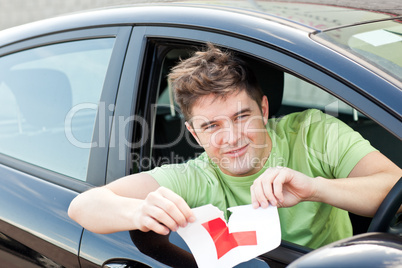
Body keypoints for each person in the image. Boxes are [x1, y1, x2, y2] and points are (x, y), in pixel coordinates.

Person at [68, 43, 401, 249]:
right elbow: (84, 206)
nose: (231, 138)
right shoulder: (194, 177)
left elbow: (395, 192)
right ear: (194, 135)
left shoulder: (312, 132)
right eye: (211, 126)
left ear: (265, 110)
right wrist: (140, 211)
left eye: (242, 116)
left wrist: (314, 188)